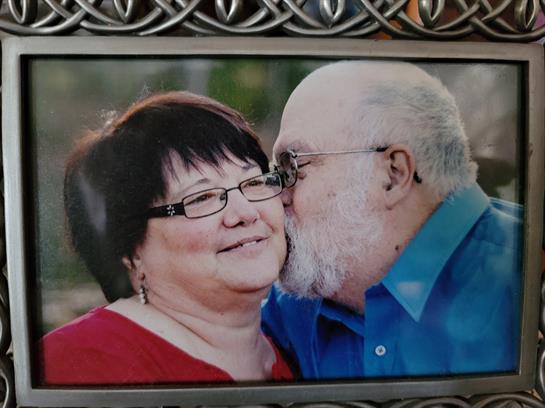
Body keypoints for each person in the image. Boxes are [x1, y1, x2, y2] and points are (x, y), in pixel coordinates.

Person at [262, 61, 522, 378]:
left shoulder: (525, 278)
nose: (277, 194)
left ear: (393, 175)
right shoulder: (294, 301)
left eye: (292, 166)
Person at [40, 91, 293, 385]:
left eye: (253, 182)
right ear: (131, 250)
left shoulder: (299, 348)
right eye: (202, 197)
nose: (246, 213)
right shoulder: (78, 363)